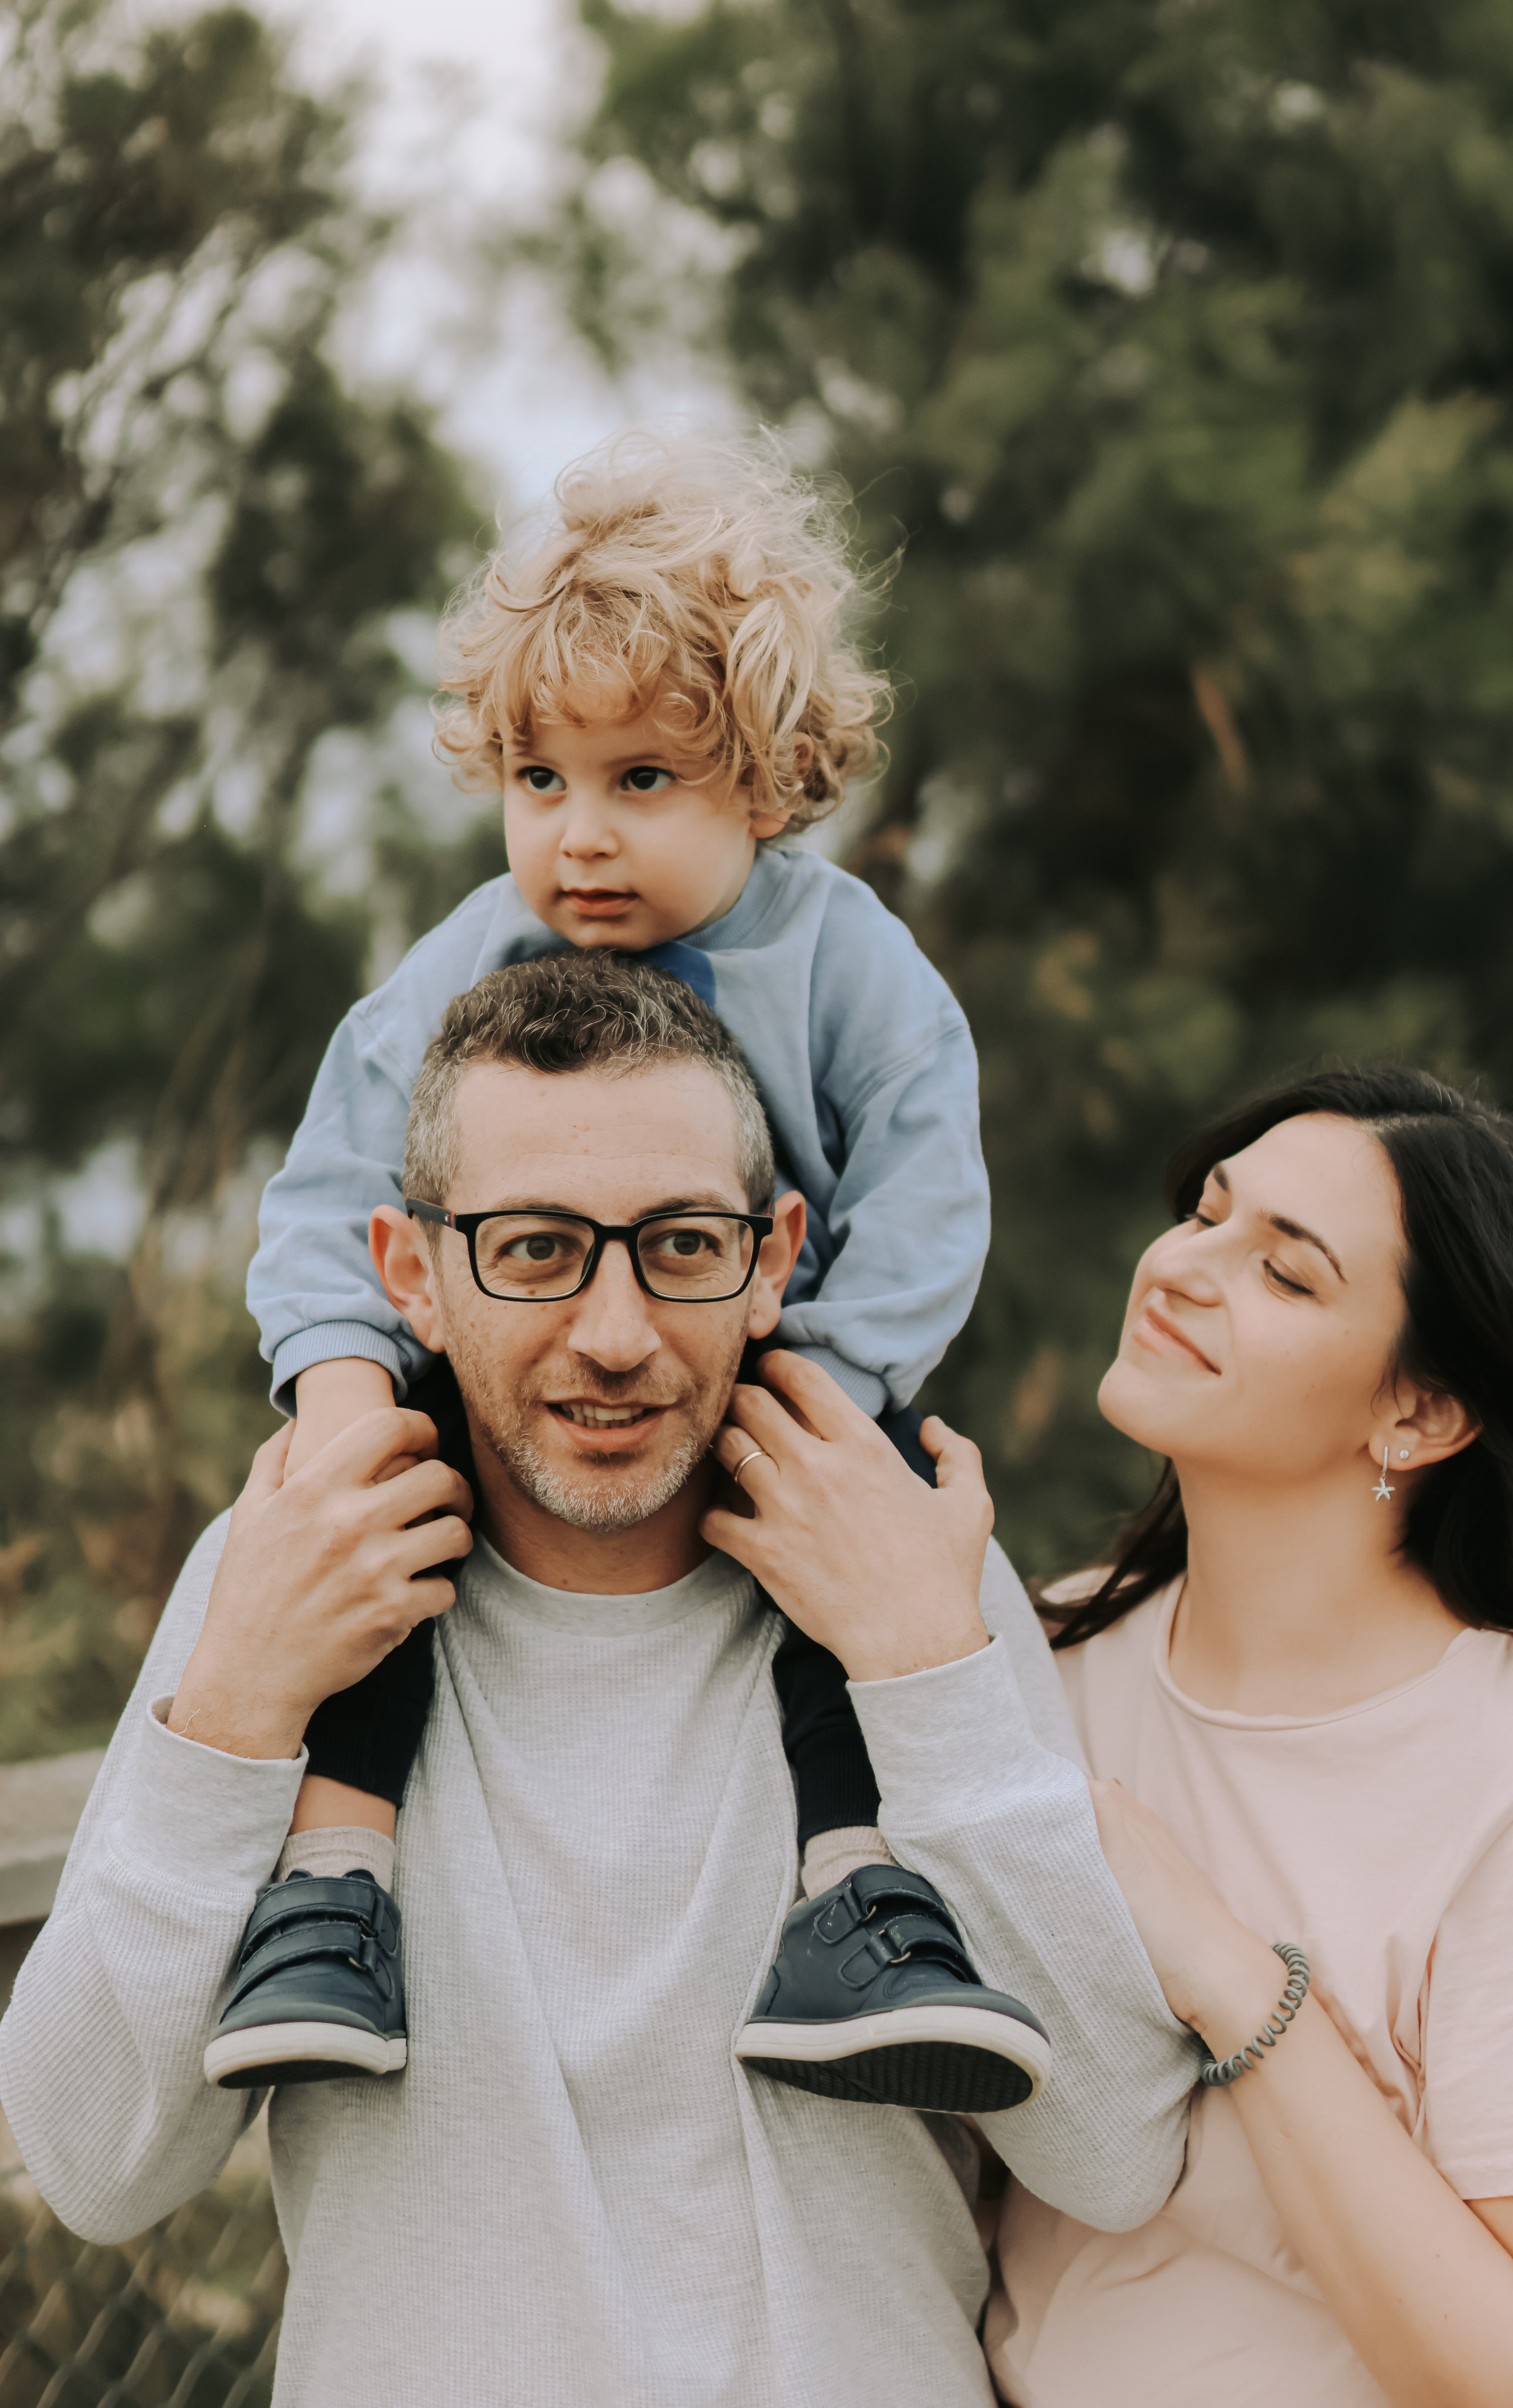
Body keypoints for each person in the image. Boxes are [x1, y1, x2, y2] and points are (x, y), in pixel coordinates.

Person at [0, 953, 1198, 2408]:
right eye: (534, 1248)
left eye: (681, 1244)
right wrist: (239, 1710)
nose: (615, 1334)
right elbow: (92, 2165)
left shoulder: (909, 1568)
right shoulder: (284, 1566)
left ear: (773, 1256)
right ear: (411, 1274)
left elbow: (1117, 2154)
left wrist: (925, 1674)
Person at [236, 427, 1024, 2105]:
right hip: (520, 1387)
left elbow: (929, 1183)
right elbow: (329, 1180)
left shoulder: (843, 959)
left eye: (640, 782)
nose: (578, 838)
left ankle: (859, 1885)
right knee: (392, 1515)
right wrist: (341, 1376)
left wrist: (831, 1374)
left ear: (770, 778)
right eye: (542, 783)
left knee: (843, 1556)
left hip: (784, 1366)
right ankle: (333, 1881)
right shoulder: (482, 952)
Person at [952, 1065, 1513, 2406]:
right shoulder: (1035, 1663)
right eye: (1205, 1213)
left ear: (1417, 1413)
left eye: (1285, 1275)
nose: (1182, 1269)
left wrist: (1231, 1979)